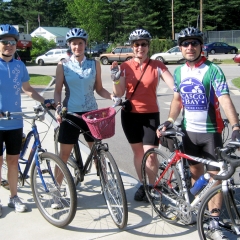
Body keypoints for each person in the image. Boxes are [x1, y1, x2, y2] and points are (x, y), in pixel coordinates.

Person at [157, 27, 240, 240]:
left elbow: (224, 99)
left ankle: (214, 219)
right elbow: (177, 100)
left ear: (201, 46)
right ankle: (200, 210)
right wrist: (169, 120)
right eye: (185, 44)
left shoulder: (213, 70)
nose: (190, 47)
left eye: (194, 43)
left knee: (216, 177)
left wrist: (236, 127)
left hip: (211, 132)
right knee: (196, 174)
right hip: (188, 132)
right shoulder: (179, 72)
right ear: (181, 48)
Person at [54, 28, 119, 208]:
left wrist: (112, 96)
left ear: (85, 44)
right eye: (74, 43)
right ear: (69, 45)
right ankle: (57, 192)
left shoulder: (94, 63)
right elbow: (58, 90)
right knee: (63, 155)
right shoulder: (63, 65)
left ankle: (107, 185)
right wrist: (58, 107)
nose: (77, 46)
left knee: (99, 152)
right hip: (71, 113)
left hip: (91, 114)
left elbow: (99, 89)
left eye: (80, 43)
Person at [110, 28, 175, 202]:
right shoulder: (125, 67)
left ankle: (152, 186)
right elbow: (119, 92)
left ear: (148, 46)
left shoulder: (157, 66)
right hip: (130, 115)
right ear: (132, 47)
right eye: (137, 44)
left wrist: (183, 91)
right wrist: (116, 79)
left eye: (144, 44)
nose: (140, 48)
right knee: (138, 153)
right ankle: (143, 184)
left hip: (150, 115)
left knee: (151, 154)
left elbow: (174, 85)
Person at [0, 24, 54, 216]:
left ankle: (14, 197)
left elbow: (28, 89)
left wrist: (45, 101)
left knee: (13, 161)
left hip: (15, 121)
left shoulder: (19, 65)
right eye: (5, 42)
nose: (9, 45)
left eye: (12, 42)